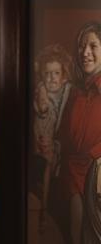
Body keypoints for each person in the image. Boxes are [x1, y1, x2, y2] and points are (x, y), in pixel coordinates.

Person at [59, 22, 101, 244]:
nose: (85, 52)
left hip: (97, 169)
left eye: (93, 46)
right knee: (76, 233)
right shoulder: (74, 90)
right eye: (82, 46)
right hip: (72, 169)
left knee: (92, 236)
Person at [32, 44, 73, 217]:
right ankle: (43, 208)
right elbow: (41, 119)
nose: (51, 78)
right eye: (47, 74)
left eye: (56, 73)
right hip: (44, 141)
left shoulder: (68, 92)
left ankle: (48, 206)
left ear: (63, 76)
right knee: (45, 167)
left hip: (62, 145)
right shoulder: (42, 93)